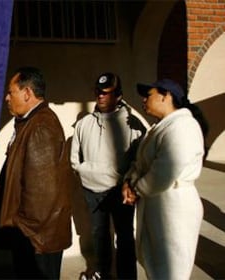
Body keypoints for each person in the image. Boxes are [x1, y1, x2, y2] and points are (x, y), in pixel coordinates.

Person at [122, 79, 208, 280]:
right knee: (156, 268)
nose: (144, 99)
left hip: (174, 209)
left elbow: (165, 170)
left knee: (171, 271)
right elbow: (140, 164)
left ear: (165, 95)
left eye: (148, 94)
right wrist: (129, 181)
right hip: (156, 204)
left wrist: (136, 189)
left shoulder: (183, 126)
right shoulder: (160, 127)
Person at [0, 66, 72, 279]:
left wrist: (22, 230)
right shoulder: (30, 122)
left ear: (27, 93)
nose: (7, 98)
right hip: (34, 237)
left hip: (37, 240)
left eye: (11, 92)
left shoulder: (40, 127)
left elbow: (42, 195)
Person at [70, 72, 147, 279]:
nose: (100, 96)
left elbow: (141, 161)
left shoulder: (133, 124)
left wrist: (122, 179)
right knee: (99, 236)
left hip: (120, 190)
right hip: (91, 191)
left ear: (118, 96)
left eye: (106, 93)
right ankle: (102, 274)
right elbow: (74, 161)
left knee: (124, 238)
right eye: (98, 92)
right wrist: (87, 172)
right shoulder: (84, 124)